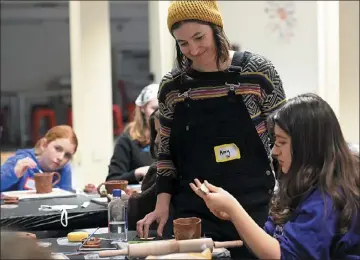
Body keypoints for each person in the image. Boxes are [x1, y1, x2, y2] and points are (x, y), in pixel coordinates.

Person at [136, 1, 286, 258]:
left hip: (255, 210)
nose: (193, 49)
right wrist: (162, 205)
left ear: (216, 28)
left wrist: (289, 199)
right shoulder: (173, 88)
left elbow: (284, 141)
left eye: (199, 37)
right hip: (194, 215)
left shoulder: (258, 73)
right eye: (183, 43)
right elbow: (165, 154)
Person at [190, 93, 360, 260]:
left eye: (282, 142)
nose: (274, 151)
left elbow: (283, 255)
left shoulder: (326, 200)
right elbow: (269, 241)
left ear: (307, 146)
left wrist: (234, 209)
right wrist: (232, 214)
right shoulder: (300, 185)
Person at [106, 84, 159, 184]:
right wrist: (138, 172)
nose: (160, 114)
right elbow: (111, 181)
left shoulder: (174, 138)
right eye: (155, 109)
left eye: (165, 109)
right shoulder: (127, 140)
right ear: (142, 108)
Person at [1, 125, 77, 192]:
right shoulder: (21, 161)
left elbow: (66, 197)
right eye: (57, 149)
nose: (61, 158)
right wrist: (14, 173)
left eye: (67, 155)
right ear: (44, 145)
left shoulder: (64, 167)